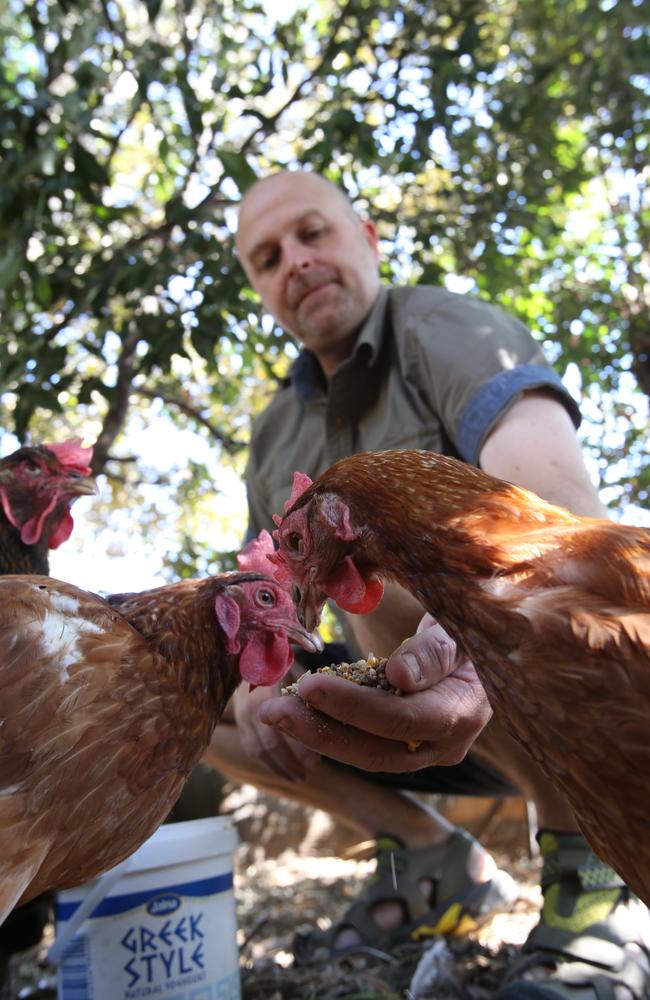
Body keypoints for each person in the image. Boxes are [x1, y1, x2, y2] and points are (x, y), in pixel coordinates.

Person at [204, 169, 650, 999]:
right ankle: (427, 850)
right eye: (267, 257)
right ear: (261, 289)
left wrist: (486, 629)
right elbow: (258, 593)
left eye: (312, 233)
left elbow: (556, 495)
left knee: (395, 565)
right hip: (406, 723)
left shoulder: (447, 329)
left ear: (368, 240)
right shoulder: (274, 432)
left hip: (523, 698)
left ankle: (588, 863)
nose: (295, 262)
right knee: (185, 686)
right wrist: (247, 688)